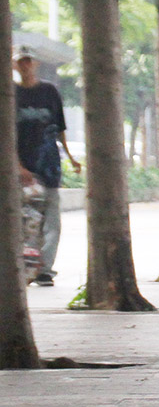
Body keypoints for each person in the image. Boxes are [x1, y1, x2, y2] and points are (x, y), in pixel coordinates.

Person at [14, 45, 82, 286]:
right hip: (22, 170)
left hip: (50, 167)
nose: (26, 65)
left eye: (29, 61)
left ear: (36, 63)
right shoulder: (11, 94)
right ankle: (26, 267)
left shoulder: (50, 92)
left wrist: (71, 158)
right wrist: (18, 166)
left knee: (51, 221)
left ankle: (45, 269)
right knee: (25, 221)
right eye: (21, 62)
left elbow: (60, 130)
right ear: (15, 65)